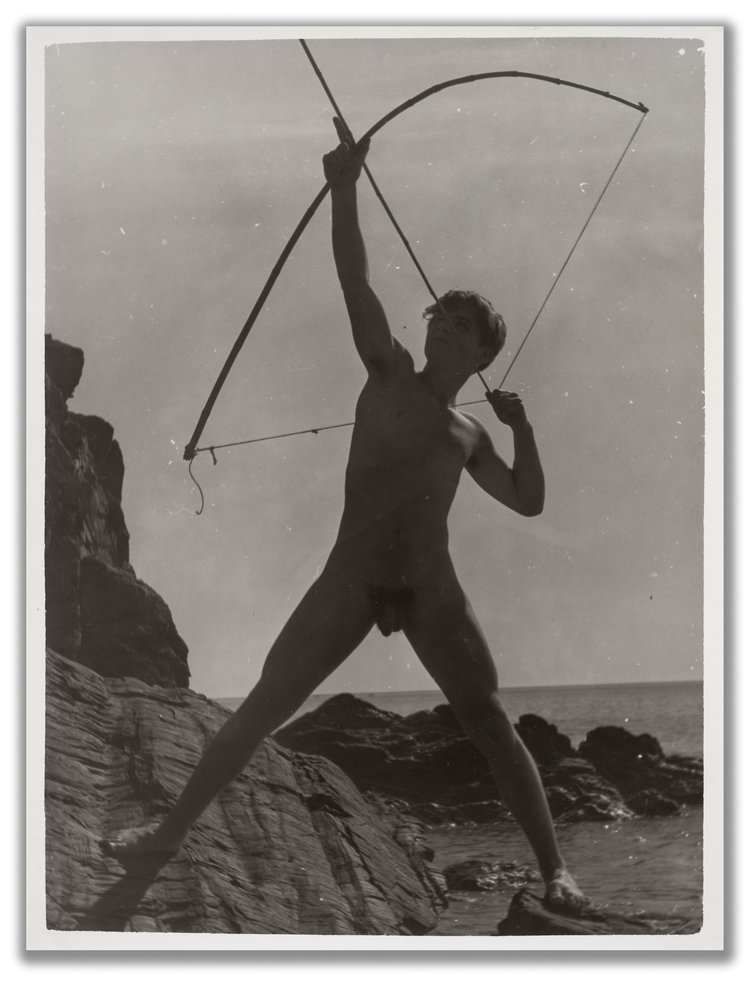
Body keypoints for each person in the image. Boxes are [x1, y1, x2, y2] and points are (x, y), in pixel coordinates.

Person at [103, 123, 585, 912]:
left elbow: (528, 499)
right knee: (267, 702)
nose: (441, 324)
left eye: (460, 326)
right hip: (352, 579)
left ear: (482, 356)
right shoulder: (388, 371)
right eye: (439, 315)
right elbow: (354, 282)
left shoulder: (470, 433)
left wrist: (523, 427)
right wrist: (345, 188)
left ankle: (556, 871)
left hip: (432, 589)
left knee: (489, 720)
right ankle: (167, 833)